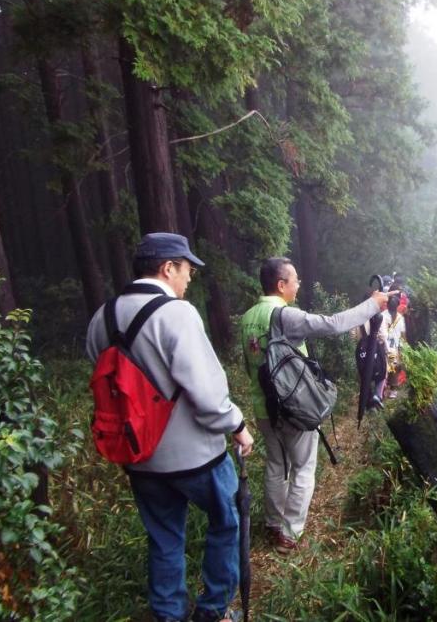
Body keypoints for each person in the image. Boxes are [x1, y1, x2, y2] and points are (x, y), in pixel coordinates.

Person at [86, 232, 254, 622]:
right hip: (196, 457)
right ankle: (213, 611)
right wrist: (238, 425)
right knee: (226, 522)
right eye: (186, 269)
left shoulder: (102, 317)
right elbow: (209, 395)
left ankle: (168, 614)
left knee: (163, 537)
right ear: (167, 268)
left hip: (138, 456)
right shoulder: (176, 313)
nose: (189, 278)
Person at [239, 257, 393, 553]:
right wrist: (373, 305)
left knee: (275, 464)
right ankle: (290, 533)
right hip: (292, 408)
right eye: (294, 279)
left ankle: (273, 524)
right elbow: (332, 325)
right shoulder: (285, 315)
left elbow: (249, 364)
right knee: (303, 468)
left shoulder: (247, 318)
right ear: (281, 285)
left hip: (263, 408)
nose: (298, 284)